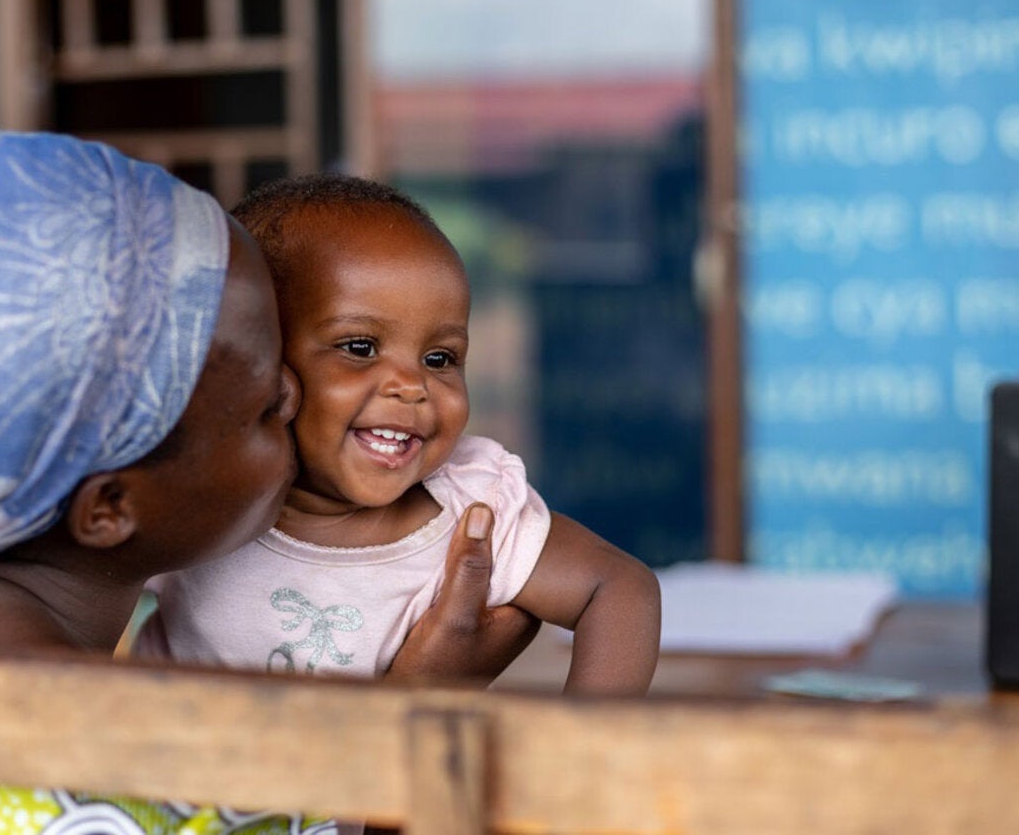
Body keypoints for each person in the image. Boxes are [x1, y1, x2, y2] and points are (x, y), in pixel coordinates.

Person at [0, 126, 534, 834]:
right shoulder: (160, 783)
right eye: (260, 402)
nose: (295, 394)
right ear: (110, 507)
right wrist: (418, 719)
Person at [143, 175, 661, 696]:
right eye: (361, 347)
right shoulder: (197, 496)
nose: (412, 386)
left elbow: (619, 589)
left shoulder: (469, 515)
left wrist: (584, 764)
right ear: (258, 356)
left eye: (440, 359)